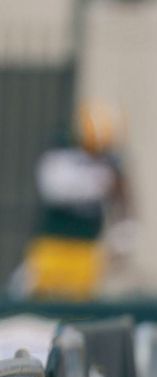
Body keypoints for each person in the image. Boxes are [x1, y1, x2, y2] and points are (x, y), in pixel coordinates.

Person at [19, 101, 136, 300]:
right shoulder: (62, 156)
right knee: (40, 298)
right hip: (54, 245)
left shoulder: (111, 164)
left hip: (86, 249)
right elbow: (57, 189)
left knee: (80, 304)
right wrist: (101, 181)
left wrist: (122, 240)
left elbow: (125, 205)